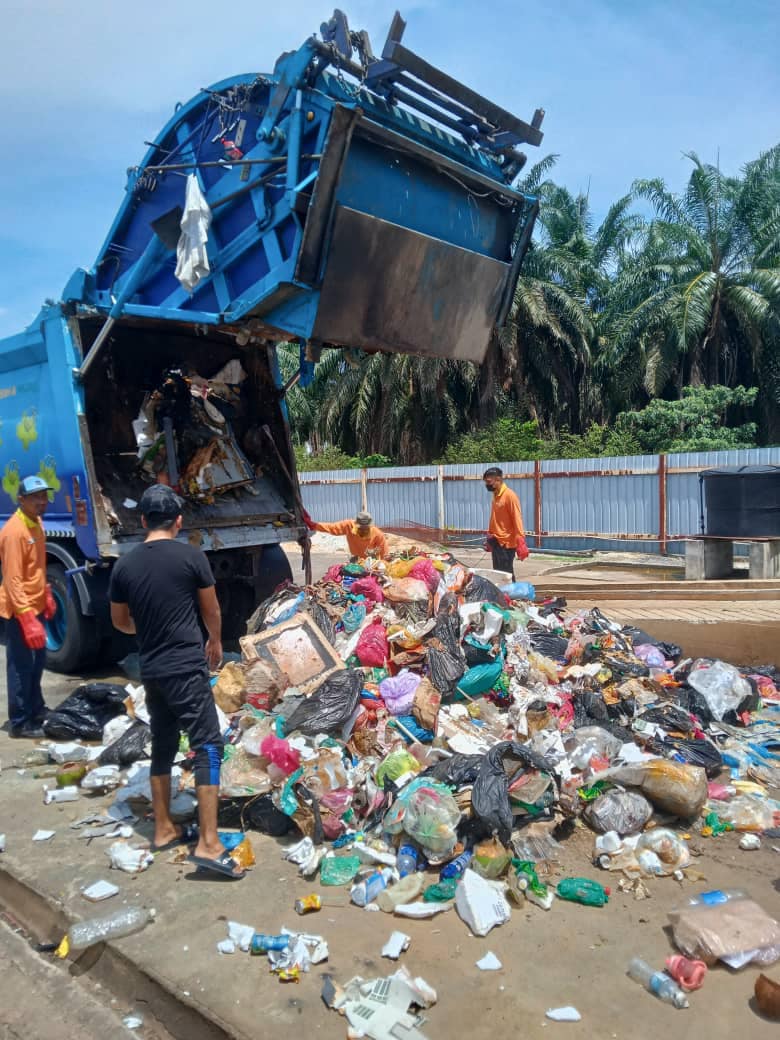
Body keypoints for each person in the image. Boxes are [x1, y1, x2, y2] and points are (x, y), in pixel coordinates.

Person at [109, 484, 244, 880]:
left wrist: (148, 631)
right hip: (186, 667)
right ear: (179, 521)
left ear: (144, 521)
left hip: (151, 670)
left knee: (164, 745)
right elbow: (211, 608)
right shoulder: (191, 557)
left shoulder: (124, 565)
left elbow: (120, 622)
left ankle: (164, 829)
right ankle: (208, 842)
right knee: (208, 745)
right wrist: (215, 641)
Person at [0, 475, 57, 738]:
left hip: (35, 605)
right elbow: (12, 579)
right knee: (21, 665)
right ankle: (20, 721)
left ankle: (37, 708)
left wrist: (45, 593)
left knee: (38, 662)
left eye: (44, 496)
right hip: (18, 610)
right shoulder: (15, 532)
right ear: (21, 500)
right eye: (35, 497)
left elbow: (36, 566)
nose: (41, 502)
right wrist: (26, 618)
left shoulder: (37, 523)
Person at [483, 466, 529, 579]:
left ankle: (510, 595)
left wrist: (521, 541)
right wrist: (490, 535)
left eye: (489, 482)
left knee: (506, 574)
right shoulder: (496, 495)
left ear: (498, 479)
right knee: (498, 573)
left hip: (506, 543)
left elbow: (517, 518)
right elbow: (494, 518)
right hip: (496, 541)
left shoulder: (510, 496)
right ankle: (503, 595)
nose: (487, 485)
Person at [303, 508, 388, 559]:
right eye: (360, 528)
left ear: (370, 526)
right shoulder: (348, 526)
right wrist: (314, 525)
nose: (363, 530)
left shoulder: (378, 535)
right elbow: (332, 528)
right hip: (356, 562)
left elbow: (384, 554)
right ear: (356, 525)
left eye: (365, 528)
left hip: (371, 565)